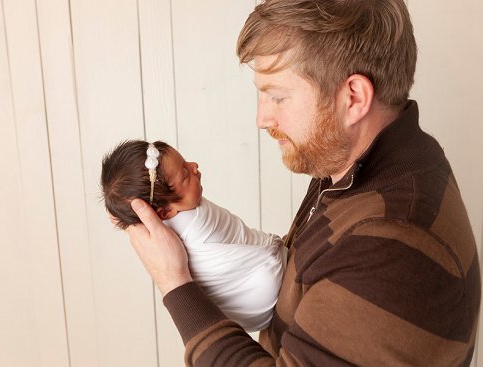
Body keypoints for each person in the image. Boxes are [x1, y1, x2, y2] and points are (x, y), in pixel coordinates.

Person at [122, 0, 480, 365]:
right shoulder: (356, 166)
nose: (262, 117)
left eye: (277, 95)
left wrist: (175, 283)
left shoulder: (389, 248)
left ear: (353, 97)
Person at [102, 139, 285, 332]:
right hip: (269, 288)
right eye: (185, 174)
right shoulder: (196, 217)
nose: (194, 166)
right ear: (164, 212)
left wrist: (125, 218)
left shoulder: (155, 230)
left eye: (186, 163)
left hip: (247, 317)